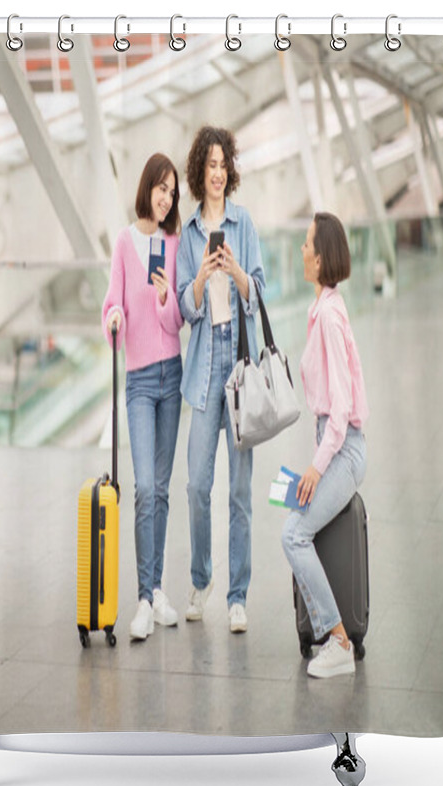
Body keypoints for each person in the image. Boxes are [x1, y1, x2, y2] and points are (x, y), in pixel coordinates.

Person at [176, 125, 266, 634]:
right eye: (209, 164)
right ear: (200, 172)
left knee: (239, 491)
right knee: (196, 484)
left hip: (239, 366)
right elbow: (186, 312)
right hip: (204, 371)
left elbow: (259, 291)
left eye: (223, 163)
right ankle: (201, 578)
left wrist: (233, 272)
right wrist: (200, 279)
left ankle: (237, 595)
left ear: (230, 171)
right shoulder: (189, 233)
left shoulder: (244, 222)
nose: (217, 172)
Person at [281, 212, 369, 678]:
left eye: (307, 243)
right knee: (292, 514)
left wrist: (315, 469)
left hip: (343, 449)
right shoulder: (322, 309)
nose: (301, 249)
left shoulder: (331, 317)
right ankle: (328, 633)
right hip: (331, 445)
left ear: (322, 255)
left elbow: (340, 409)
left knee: (292, 535)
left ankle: (338, 642)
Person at [102, 153, 184, 641]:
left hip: (171, 377)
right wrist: (114, 319)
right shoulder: (124, 242)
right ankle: (143, 599)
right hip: (137, 381)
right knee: (144, 488)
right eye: (161, 187)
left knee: (163, 489)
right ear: (146, 188)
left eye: (172, 192)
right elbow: (113, 302)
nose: (166, 197)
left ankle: (156, 591)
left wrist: (163, 298)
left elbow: (175, 323)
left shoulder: (172, 245)